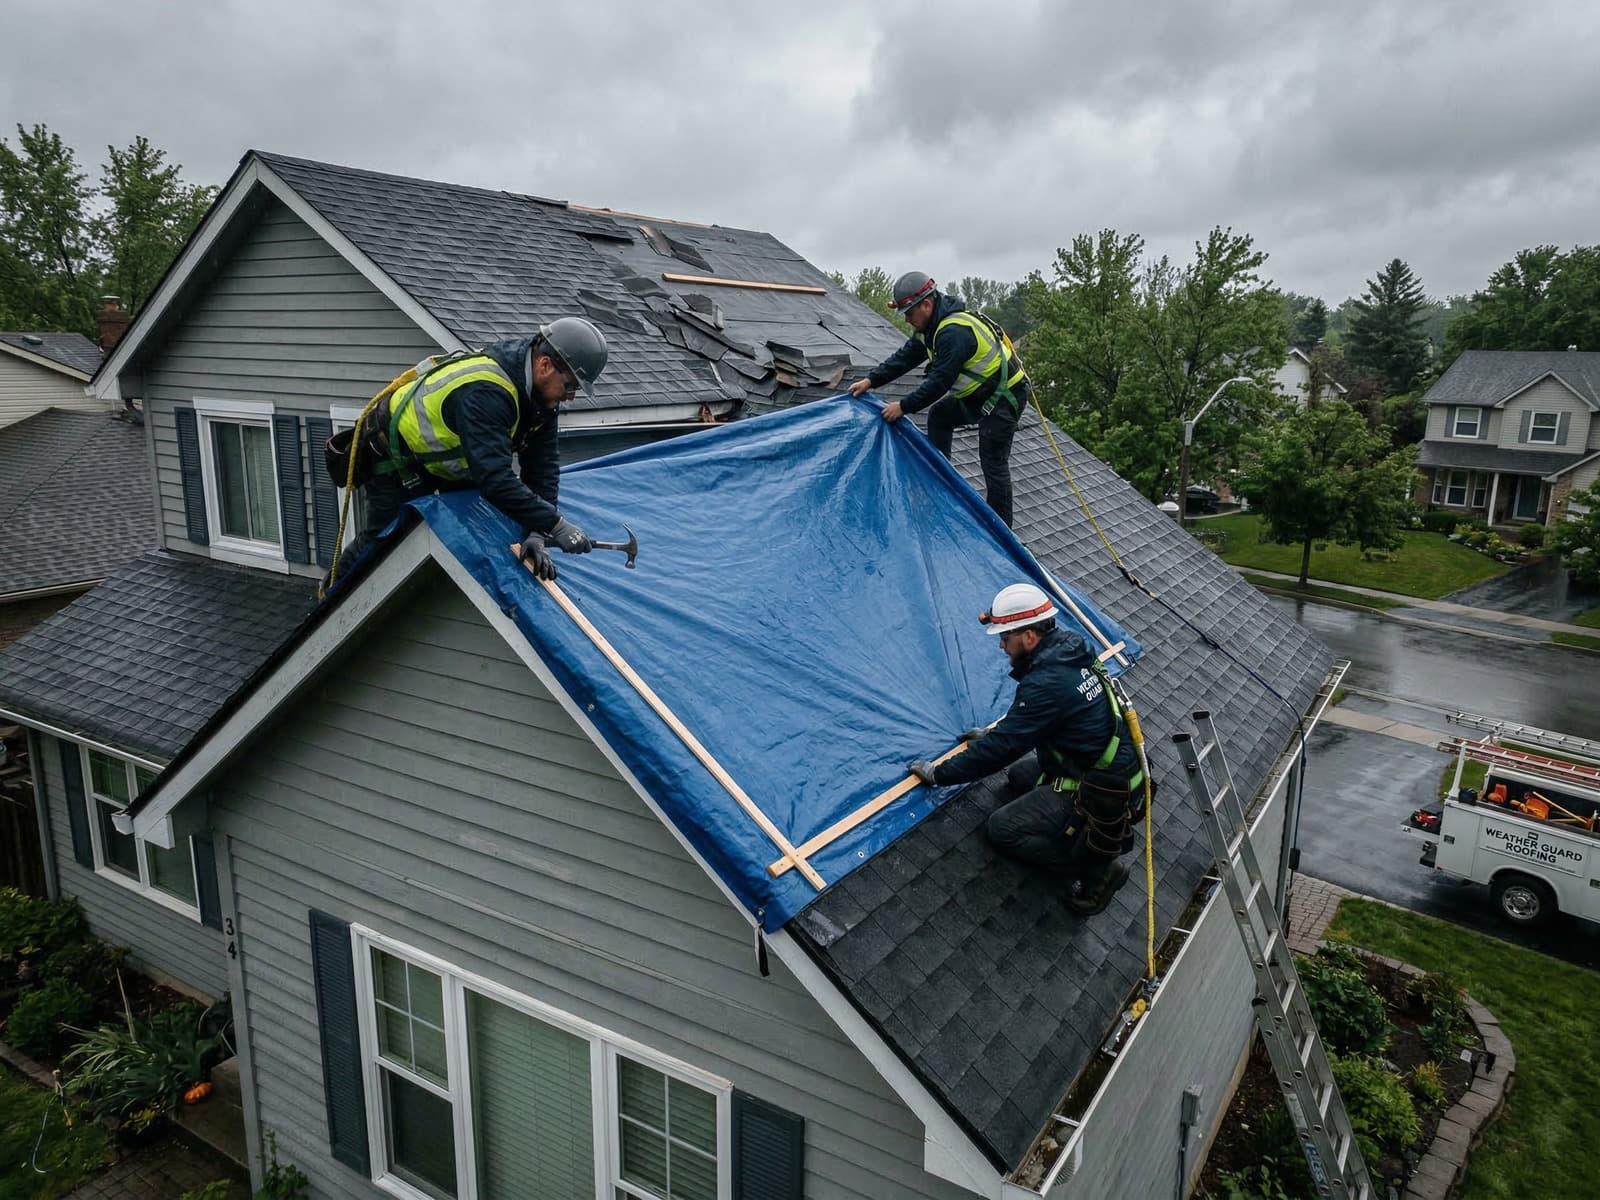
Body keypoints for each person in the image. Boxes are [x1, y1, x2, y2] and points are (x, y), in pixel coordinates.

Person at [908, 583, 1151, 915]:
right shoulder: (1071, 648)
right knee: (1022, 776)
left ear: (1029, 637)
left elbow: (1002, 749)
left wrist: (940, 774)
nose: (1001, 645)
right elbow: (1040, 716)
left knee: (1001, 829)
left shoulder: (1047, 682)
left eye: (1005, 637)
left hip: (1102, 790)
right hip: (1111, 767)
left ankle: (1097, 870)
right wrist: (993, 732)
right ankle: (1068, 829)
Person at [324, 317, 609, 589]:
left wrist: (537, 532)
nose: (571, 396)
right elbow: (495, 480)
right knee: (385, 540)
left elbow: (542, 467)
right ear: (545, 364)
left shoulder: (541, 396)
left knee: (480, 525)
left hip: (450, 462)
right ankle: (330, 599)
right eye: (570, 385)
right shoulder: (488, 391)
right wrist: (556, 523)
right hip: (396, 456)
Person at [846, 271, 1031, 527]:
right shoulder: (932, 328)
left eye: (910, 313)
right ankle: (940, 484)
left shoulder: (953, 332)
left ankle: (1001, 532)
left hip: (1003, 395)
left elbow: (939, 383)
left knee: (992, 459)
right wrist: (871, 380)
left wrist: (902, 406)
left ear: (927, 304)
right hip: (979, 394)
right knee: (940, 416)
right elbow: (906, 357)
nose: (909, 320)